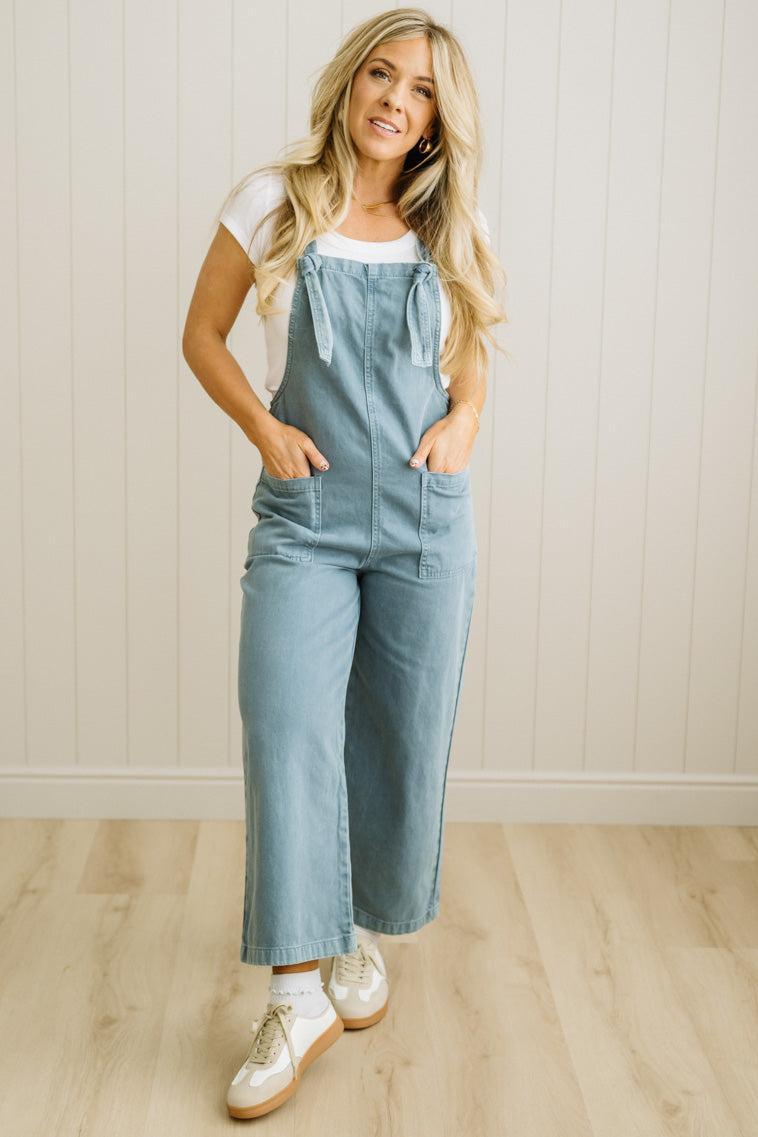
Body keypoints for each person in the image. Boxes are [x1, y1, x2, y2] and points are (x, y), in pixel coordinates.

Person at [182, 6, 507, 1120]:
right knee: (286, 729)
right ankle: (294, 993)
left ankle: (355, 936)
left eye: (419, 91)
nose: (393, 101)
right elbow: (202, 335)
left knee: (395, 732)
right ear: (349, 80)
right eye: (382, 73)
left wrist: (465, 421)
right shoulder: (273, 200)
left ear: (433, 121)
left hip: (423, 519)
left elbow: (475, 348)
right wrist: (264, 433)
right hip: (305, 517)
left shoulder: (444, 216)